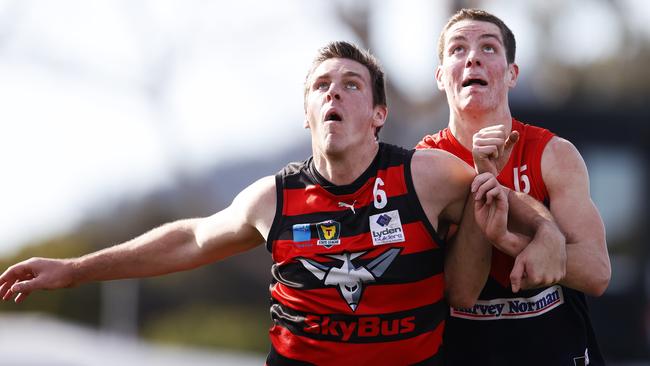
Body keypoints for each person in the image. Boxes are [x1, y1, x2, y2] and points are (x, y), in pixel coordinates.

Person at [1, 41, 555, 365]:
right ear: (307, 114)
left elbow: (516, 209)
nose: (334, 92)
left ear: (379, 114)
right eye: (322, 87)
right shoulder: (275, 197)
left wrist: (551, 238)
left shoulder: (429, 175)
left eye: (352, 85)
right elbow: (190, 239)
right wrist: (74, 270)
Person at [416, 8, 612, 365]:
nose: (473, 56)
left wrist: (517, 242)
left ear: (511, 74)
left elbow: (597, 273)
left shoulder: (553, 153)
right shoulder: (423, 164)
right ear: (441, 77)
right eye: (458, 49)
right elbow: (459, 292)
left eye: (488, 48)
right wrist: (542, 230)